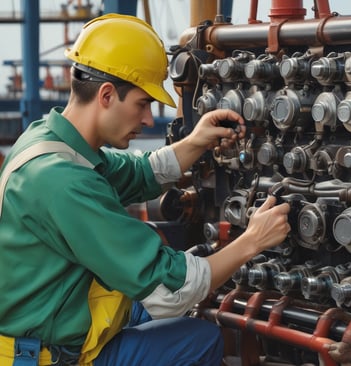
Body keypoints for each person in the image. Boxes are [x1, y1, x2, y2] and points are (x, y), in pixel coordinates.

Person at [0, 13, 290, 366]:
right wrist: (252, 242)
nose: (150, 120)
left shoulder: (49, 141)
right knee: (199, 339)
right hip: (48, 356)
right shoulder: (63, 181)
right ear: (107, 94)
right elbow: (172, 288)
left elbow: (136, 172)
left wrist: (195, 142)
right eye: (143, 103)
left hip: (50, 320)